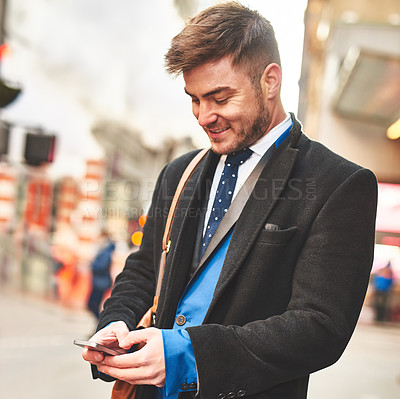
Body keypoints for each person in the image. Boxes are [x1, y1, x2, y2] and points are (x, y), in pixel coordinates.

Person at [82, 3, 378, 398]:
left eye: (219, 98)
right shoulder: (178, 173)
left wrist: (188, 354)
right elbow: (144, 269)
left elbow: (320, 328)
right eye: (195, 99)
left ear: (270, 81)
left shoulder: (339, 183)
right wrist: (117, 321)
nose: (204, 116)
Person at [87, 230, 115, 320]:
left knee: (92, 304)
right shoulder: (104, 249)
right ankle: (99, 324)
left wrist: (93, 264)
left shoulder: (106, 251)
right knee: (93, 304)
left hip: (101, 282)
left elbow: (102, 265)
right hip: (99, 281)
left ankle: (100, 323)